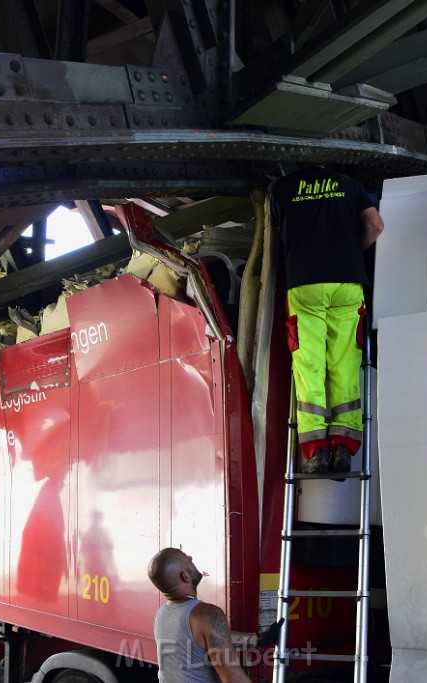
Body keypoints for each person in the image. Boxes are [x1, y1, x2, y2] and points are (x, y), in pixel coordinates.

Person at [270, 164, 384, 476]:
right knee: (345, 365)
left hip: (305, 283)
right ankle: (344, 449)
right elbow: (375, 224)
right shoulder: (349, 184)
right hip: (347, 283)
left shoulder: (281, 188)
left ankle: (315, 452)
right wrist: (351, 256)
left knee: (310, 367)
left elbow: (277, 238)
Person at [147, 548, 251, 683]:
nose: (191, 558)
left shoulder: (161, 615)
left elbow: (212, 639)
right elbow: (234, 678)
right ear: (185, 576)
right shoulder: (208, 614)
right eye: (187, 559)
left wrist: (259, 638)